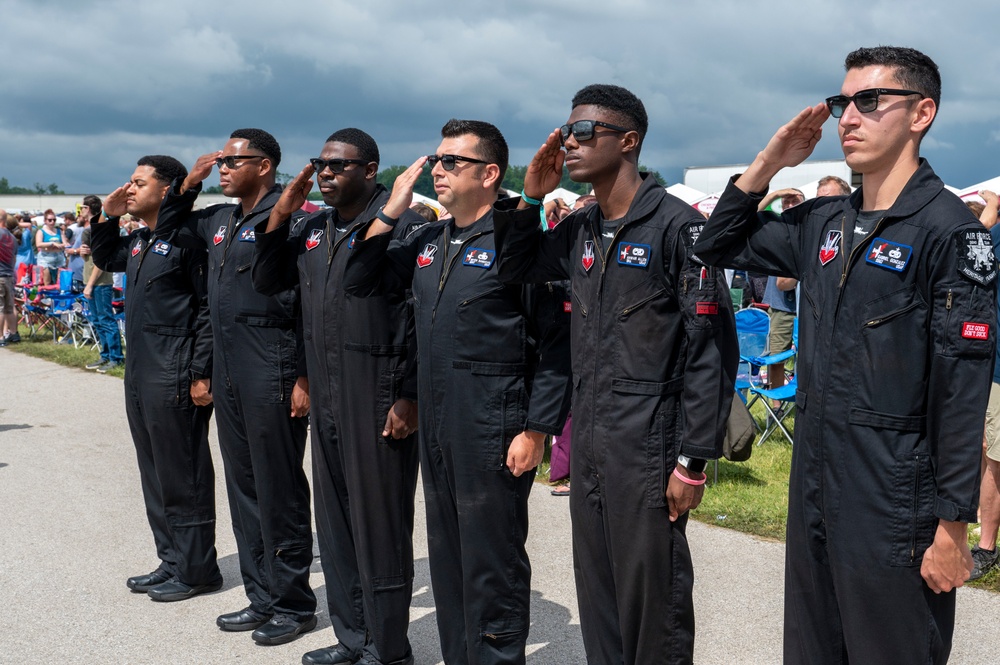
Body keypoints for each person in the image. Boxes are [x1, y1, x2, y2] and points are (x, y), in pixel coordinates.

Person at [695, 46, 997, 664]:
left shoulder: (948, 232)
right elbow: (717, 242)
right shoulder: (824, 221)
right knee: (810, 650)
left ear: (922, 113)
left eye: (868, 101)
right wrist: (769, 162)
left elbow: (961, 395)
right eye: (841, 104)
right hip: (814, 480)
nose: (847, 118)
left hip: (893, 494)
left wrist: (952, 525)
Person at [493, 84, 738, 665]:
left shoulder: (679, 229)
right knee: (597, 592)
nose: (568, 143)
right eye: (566, 131)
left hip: (650, 440)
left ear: (628, 141)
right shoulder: (582, 228)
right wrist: (529, 199)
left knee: (653, 602)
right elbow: (517, 267)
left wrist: (693, 461)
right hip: (595, 435)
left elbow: (711, 350)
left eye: (584, 132)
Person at [344, 119, 572, 665]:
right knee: (446, 555)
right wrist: (392, 208)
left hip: (493, 420)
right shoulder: (429, 240)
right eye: (437, 159)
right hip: (439, 418)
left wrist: (537, 429)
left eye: (453, 162)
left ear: (491, 174)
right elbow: (360, 278)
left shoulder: (518, 246)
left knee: (492, 559)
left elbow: (556, 346)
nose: (438, 170)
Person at [252, 128, 422, 665]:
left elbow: (421, 319)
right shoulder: (315, 229)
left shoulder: (405, 227)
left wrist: (410, 394)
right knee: (337, 523)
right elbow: (271, 284)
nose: (325, 173)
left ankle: (388, 649)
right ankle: (354, 638)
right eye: (320, 164)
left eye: (338, 166)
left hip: (379, 391)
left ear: (369, 170)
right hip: (327, 387)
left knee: (379, 526)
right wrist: (281, 213)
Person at [153, 129, 317, 646]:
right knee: (244, 487)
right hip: (228, 362)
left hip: (272, 360)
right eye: (220, 160)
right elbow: (172, 229)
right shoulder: (219, 220)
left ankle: (293, 604)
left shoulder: (289, 218)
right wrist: (189, 184)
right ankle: (261, 595)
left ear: (264, 165)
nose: (222, 167)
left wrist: (302, 375)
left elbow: (306, 305)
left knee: (279, 489)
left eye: (232, 160)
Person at [90, 155, 220, 600]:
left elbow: (208, 310)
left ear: (167, 191)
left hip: (175, 368)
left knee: (183, 473)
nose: (129, 188)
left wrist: (202, 372)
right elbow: (106, 256)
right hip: (141, 370)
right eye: (128, 180)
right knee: (155, 472)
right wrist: (107, 217)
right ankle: (171, 559)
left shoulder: (187, 239)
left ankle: (198, 569)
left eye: (139, 182)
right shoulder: (142, 240)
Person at [78, 195, 125, 371]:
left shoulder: (96, 229)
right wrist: (81, 251)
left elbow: (100, 261)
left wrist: (89, 284)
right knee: (98, 321)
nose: (80, 210)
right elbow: (87, 258)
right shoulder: (88, 230)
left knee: (106, 320)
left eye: (82, 207)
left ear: (88, 208)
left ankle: (116, 357)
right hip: (91, 280)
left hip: (100, 282)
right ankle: (105, 355)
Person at [0, 212, 18, 346]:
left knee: (0, 308)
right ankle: (13, 333)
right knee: (9, 308)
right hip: (9, 274)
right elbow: (14, 258)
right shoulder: (12, 237)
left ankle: (0, 337)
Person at [35, 210, 65, 286]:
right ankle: (46, 296)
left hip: (59, 259)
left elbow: (65, 243)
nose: (52, 222)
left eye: (54, 220)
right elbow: (38, 244)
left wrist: (61, 245)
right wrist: (52, 244)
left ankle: (57, 297)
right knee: (47, 282)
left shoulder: (59, 231)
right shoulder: (41, 231)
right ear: (45, 221)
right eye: (50, 220)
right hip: (45, 260)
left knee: (59, 283)